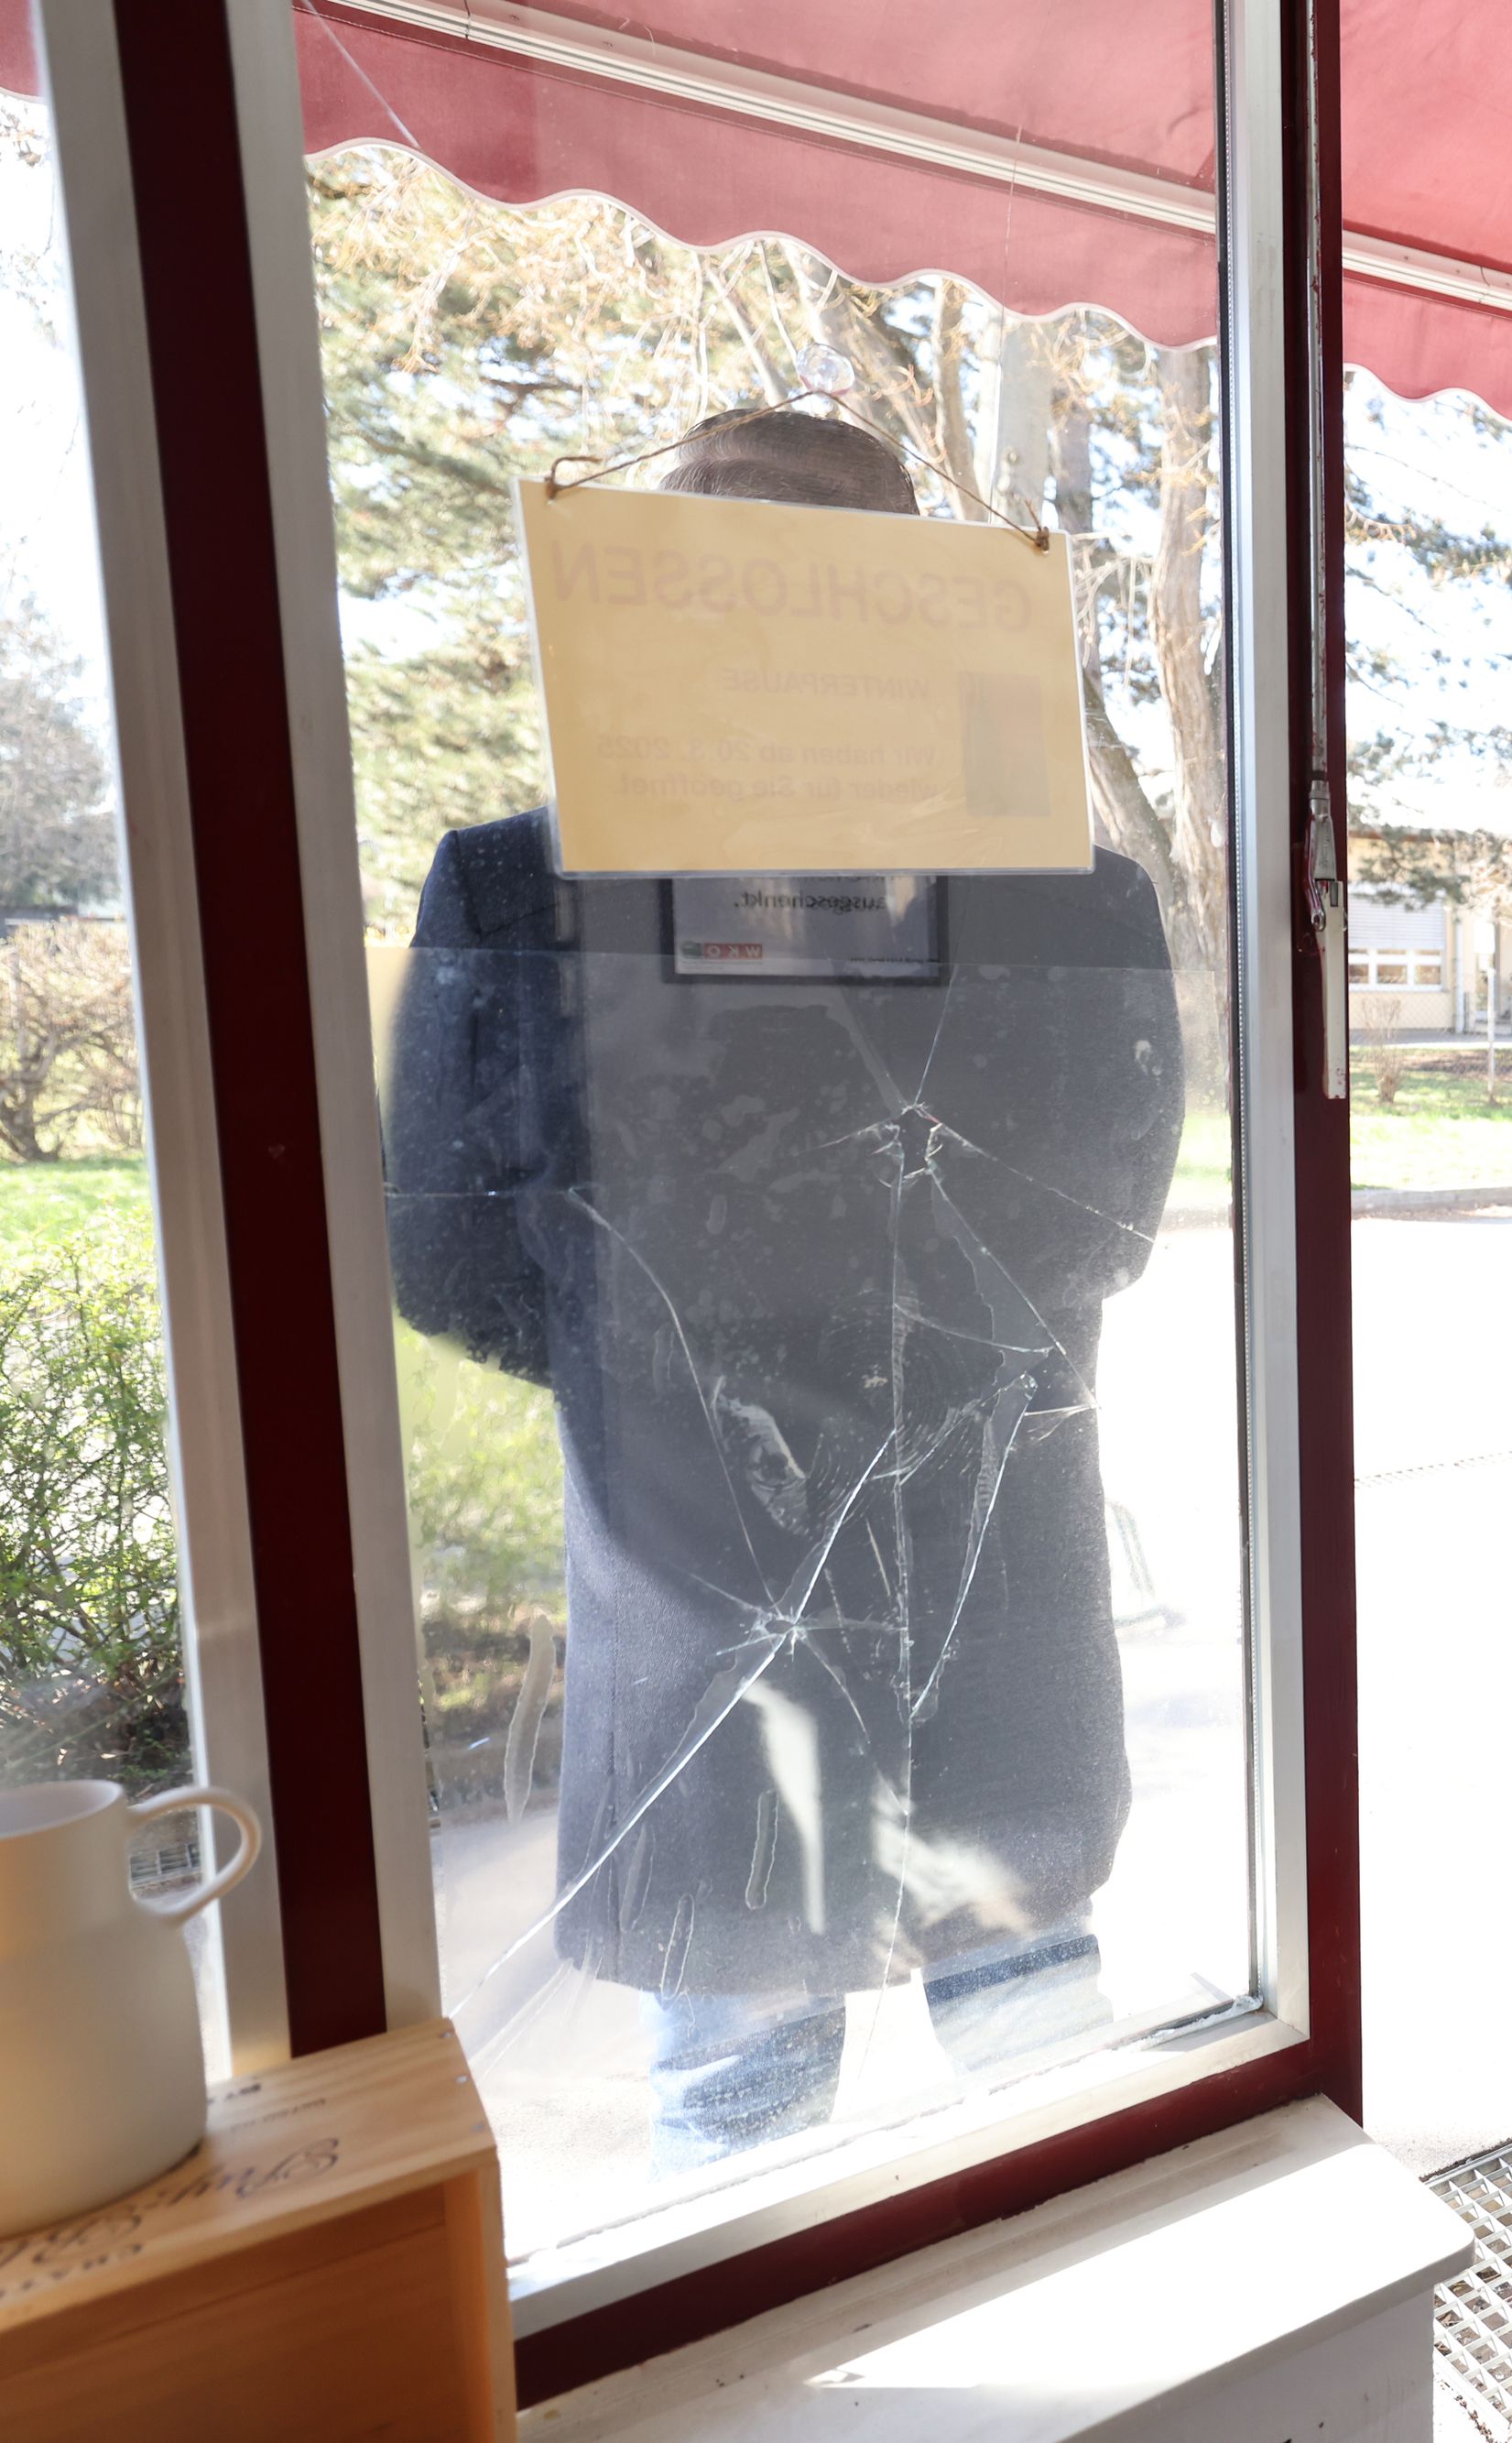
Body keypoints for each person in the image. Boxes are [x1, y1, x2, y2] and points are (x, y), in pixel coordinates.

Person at [383, 409, 1186, 2172]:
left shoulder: (530, 886)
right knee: (962, 2107)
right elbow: (445, 1251)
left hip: (788, 1593)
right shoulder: (1068, 899)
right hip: (802, 1605)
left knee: (886, 2125)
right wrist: (703, 1367)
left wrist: (683, 1369)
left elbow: (454, 1262)